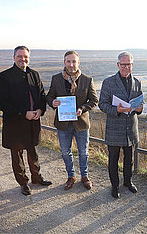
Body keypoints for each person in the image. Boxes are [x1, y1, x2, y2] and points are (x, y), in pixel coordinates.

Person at [0, 45, 52, 196]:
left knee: (33, 151)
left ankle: (36, 178)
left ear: (29, 57)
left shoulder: (34, 74)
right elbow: (1, 103)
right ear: (14, 58)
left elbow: (41, 95)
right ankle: (23, 183)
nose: (23, 59)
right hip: (15, 123)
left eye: (25, 56)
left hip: (33, 121)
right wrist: (23, 113)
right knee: (17, 154)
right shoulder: (4, 76)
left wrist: (40, 110)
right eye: (20, 56)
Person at [46, 51, 98, 190]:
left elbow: (94, 101)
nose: (71, 64)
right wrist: (53, 102)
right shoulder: (56, 79)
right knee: (65, 152)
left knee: (83, 152)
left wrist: (82, 108)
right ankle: (71, 176)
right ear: (64, 62)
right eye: (68, 61)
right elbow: (49, 96)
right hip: (63, 124)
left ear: (78, 63)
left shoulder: (87, 80)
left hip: (81, 123)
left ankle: (85, 176)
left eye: (74, 61)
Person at [98, 51, 143, 198]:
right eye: (123, 64)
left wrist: (140, 108)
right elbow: (102, 104)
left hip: (131, 128)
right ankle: (115, 185)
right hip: (114, 128)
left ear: (132, 65)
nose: (126, 67)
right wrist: (116, 110)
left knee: (129, 159)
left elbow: (139, 102)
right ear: (118, 65)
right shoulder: (108, 82)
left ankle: (128, 182)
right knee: (113, 160)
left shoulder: (137, 82)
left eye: (129, 64)